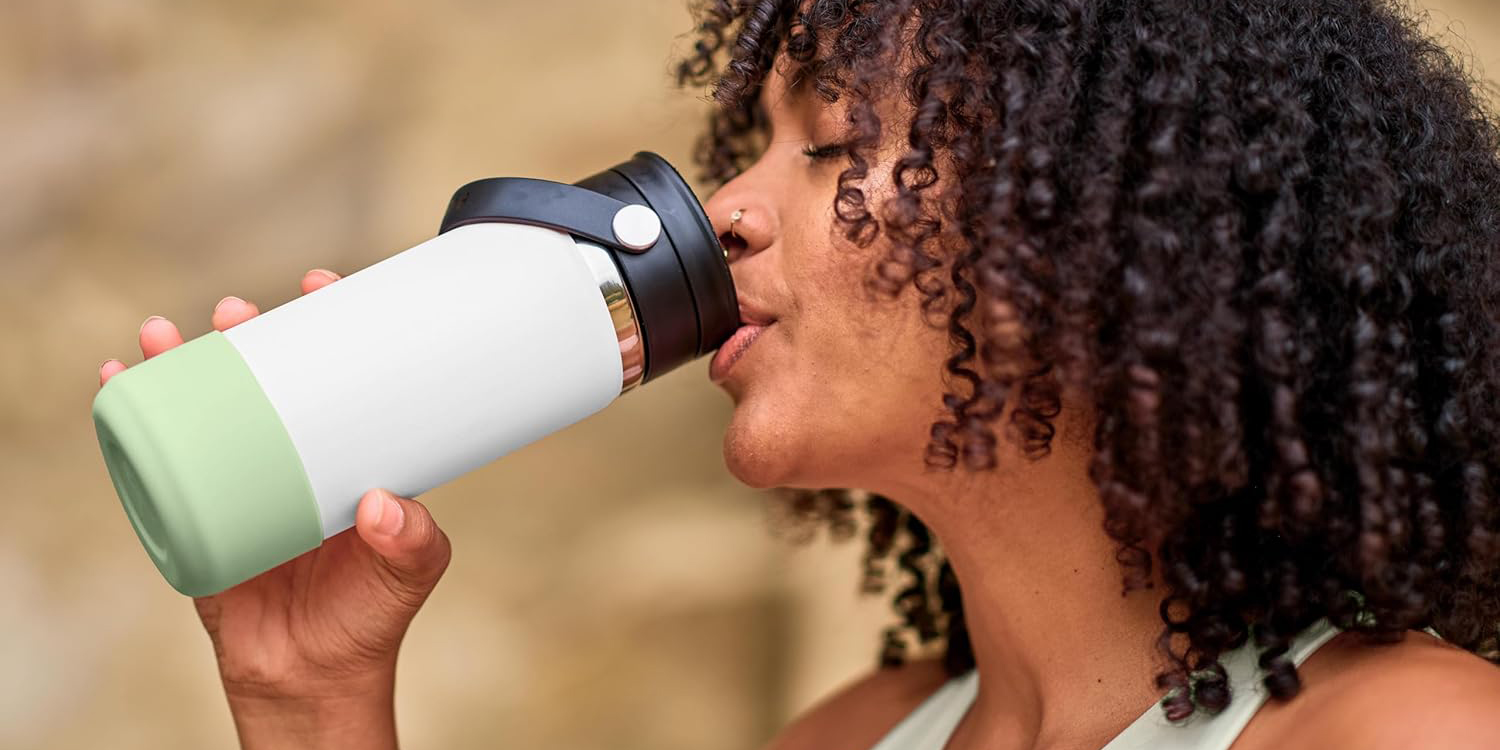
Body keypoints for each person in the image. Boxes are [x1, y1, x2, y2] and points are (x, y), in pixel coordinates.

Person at [97, 1, 1500, 748]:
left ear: (1116, 219)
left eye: (831, 144)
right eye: (755, 146)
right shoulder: (851, 736)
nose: (724, 211)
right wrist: (313, 699)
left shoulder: (1412, 733)